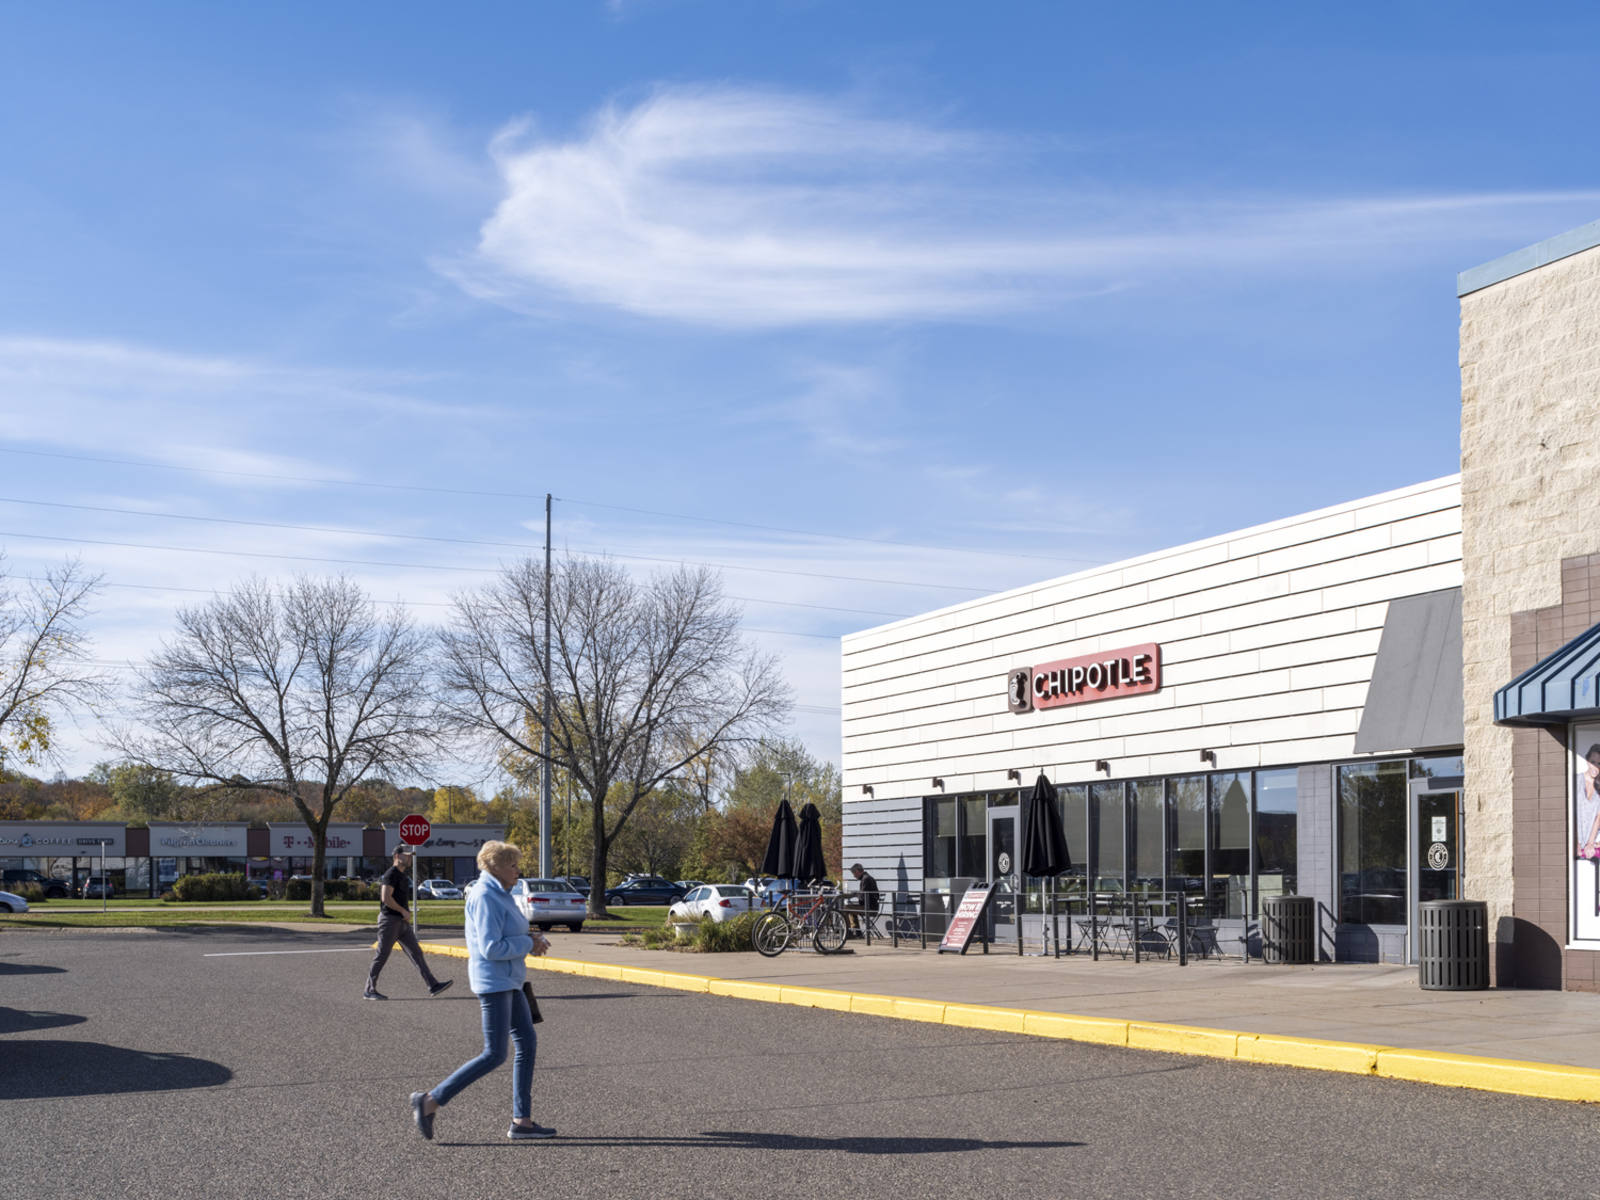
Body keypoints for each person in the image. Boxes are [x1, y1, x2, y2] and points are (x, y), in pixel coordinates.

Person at [410, 840, 555, 1141]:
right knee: (494, 1054)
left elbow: (505, 935)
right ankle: (429, 1100)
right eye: (511, 865)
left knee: (527, 1043)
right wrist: (529, 944)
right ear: (495, 867)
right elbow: (490, 947)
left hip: (510, 981)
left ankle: (522, 1121)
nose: (517, 870)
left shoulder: (500, 893)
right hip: (495, 982)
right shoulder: (486, 895)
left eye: (516, 864)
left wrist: (531, 939)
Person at [364, 846, 453, 1001]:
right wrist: (403, 911)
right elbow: (386, 898)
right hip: (390, 921)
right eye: (407, 855)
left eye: (411, 855)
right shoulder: (391, 874)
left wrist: (406, 912)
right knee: (382, 955)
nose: (410, 858)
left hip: (401, 922)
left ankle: (433, 985)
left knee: (416, 953)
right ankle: (369, 989)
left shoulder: (402, 876)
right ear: (397, 856)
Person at [846, 862, 879, 936]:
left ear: (857, 872)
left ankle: (849, 932)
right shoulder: (867, 878)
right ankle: (857, 931)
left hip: (869, 908)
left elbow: (862, 897)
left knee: (845, 908)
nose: (854, 876)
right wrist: (857, 894)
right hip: (871, 906)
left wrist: (855, 894)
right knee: (850, 909)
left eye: (854, 874)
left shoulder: (865, 879)